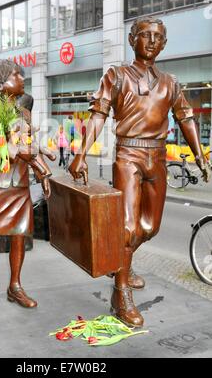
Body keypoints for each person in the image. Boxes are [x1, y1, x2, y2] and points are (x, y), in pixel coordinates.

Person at [69, 16, 210, 327]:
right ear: (132, 40)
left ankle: (123, 261)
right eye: (145, 35)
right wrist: (80, 154)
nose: (152, 41)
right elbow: (98, 114)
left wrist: (200, 156)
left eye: (158, 37)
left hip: (157, 158)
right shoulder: (117, 76)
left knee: (150, 227)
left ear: (165, 43)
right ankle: (121, 294)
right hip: (129, 155)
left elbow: (186, 118)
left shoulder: (171, 82)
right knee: (130, 227)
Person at [0, 59, 53, 309]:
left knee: (19, 236)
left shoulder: (24, 113)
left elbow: (29, 148)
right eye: (17, 75)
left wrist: (43, 173)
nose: (21, 78)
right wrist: (10, 147)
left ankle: (15, 286)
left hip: (19, 185)